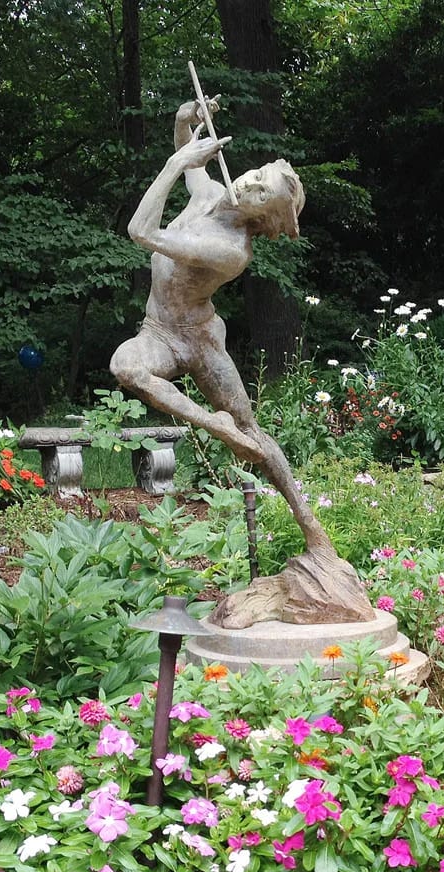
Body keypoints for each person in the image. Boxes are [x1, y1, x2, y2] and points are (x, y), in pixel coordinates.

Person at [110, 99, 329, 554]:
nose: (249, 180)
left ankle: (310, 527)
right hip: (158, 332)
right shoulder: (211, 196)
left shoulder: (230, 249)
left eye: (261, 190)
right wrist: (182, 122)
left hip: (200, 338)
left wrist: (176, 162)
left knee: (252, 432)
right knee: (125, 367)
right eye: (257, 174)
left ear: (262, 215)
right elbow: (195, 173)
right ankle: (214, 425)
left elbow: (141, 231)